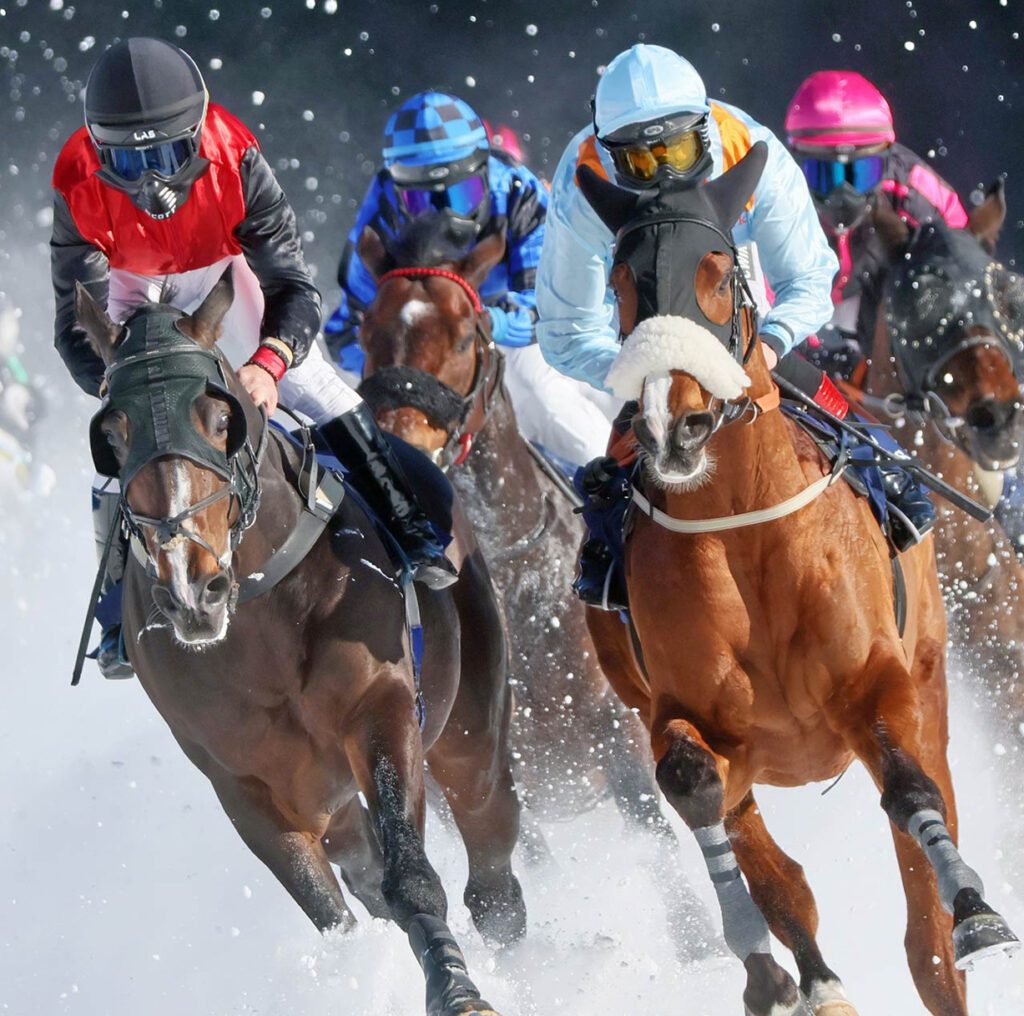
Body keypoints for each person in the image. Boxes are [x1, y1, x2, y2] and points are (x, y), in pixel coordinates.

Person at [52, 38, 456, 678]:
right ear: (100, 154)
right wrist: (122, 386)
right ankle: (116, 614)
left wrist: (269, 363)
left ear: (198, 131)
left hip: (222, 275)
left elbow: (294, 287)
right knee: (123, 440)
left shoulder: (235, 158)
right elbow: (73, 321)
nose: (154, 179)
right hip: (135, 286)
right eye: (132, 161)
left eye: (167, 154)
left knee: (316, 387)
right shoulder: (76, 179)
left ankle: (409, 525)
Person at [534, 44, 935, 609]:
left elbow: (808, 277)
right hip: (643, 315)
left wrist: (767, 349)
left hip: (733, 285)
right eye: (641, 163)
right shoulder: (582, 180)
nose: (664, 172)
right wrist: (641, 371)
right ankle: (608, 539)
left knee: (845, 423)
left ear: (703, 129)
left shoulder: (746, 143)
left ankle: (882, 467)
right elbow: (566, 330)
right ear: (608, 153)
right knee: (619, 464)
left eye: (674, 149)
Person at [324, 90, 619, 468]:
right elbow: (344, 331)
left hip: (509, 321)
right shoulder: (379, 216)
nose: (447, 216)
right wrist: (393, 359)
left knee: (541, 397)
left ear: (484, 171)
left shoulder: (518, 194)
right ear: (398, 192)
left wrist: (488, 325)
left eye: (462, 194)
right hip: (429, 338)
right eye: (423, 203)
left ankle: (613, 486)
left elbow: (550, 307)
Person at [785, 70, 968, 371]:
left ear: (887, 159)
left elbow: (965, 270)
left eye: (860, 174)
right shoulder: (775, 192)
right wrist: (806, 351)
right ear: (796, 161)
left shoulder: (918, 191)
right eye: (825, 174)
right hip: (798, 305)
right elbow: (757, 288)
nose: (842, 194)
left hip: (880, 304)